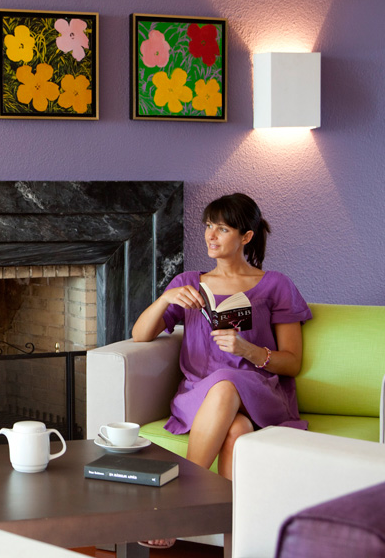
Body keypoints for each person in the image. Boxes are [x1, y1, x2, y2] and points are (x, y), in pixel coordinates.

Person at [131, 193, 312, 550]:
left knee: (227, 385)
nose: (211, 236)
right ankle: (236, 544)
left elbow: (292, 362)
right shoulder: (188, 282)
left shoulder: (276, 285)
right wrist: (165, 299)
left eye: (223, 229)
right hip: (199, 394)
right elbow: (140, 335)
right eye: (209, 226)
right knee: (237, 430)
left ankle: (177, 504)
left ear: (246, 237)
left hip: (259, 391)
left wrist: (248, 350)